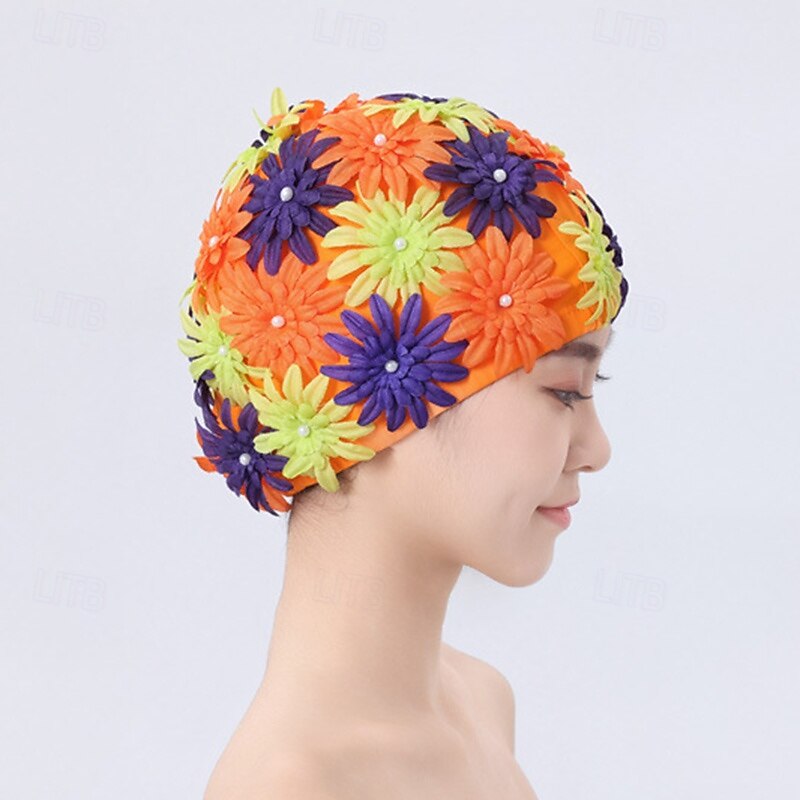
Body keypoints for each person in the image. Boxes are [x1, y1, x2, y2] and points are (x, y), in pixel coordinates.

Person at [179, 88, 628, 799]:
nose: (596, 449)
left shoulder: (483, 704)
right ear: (387, 395)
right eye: (565, 391)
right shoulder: (294, 785)